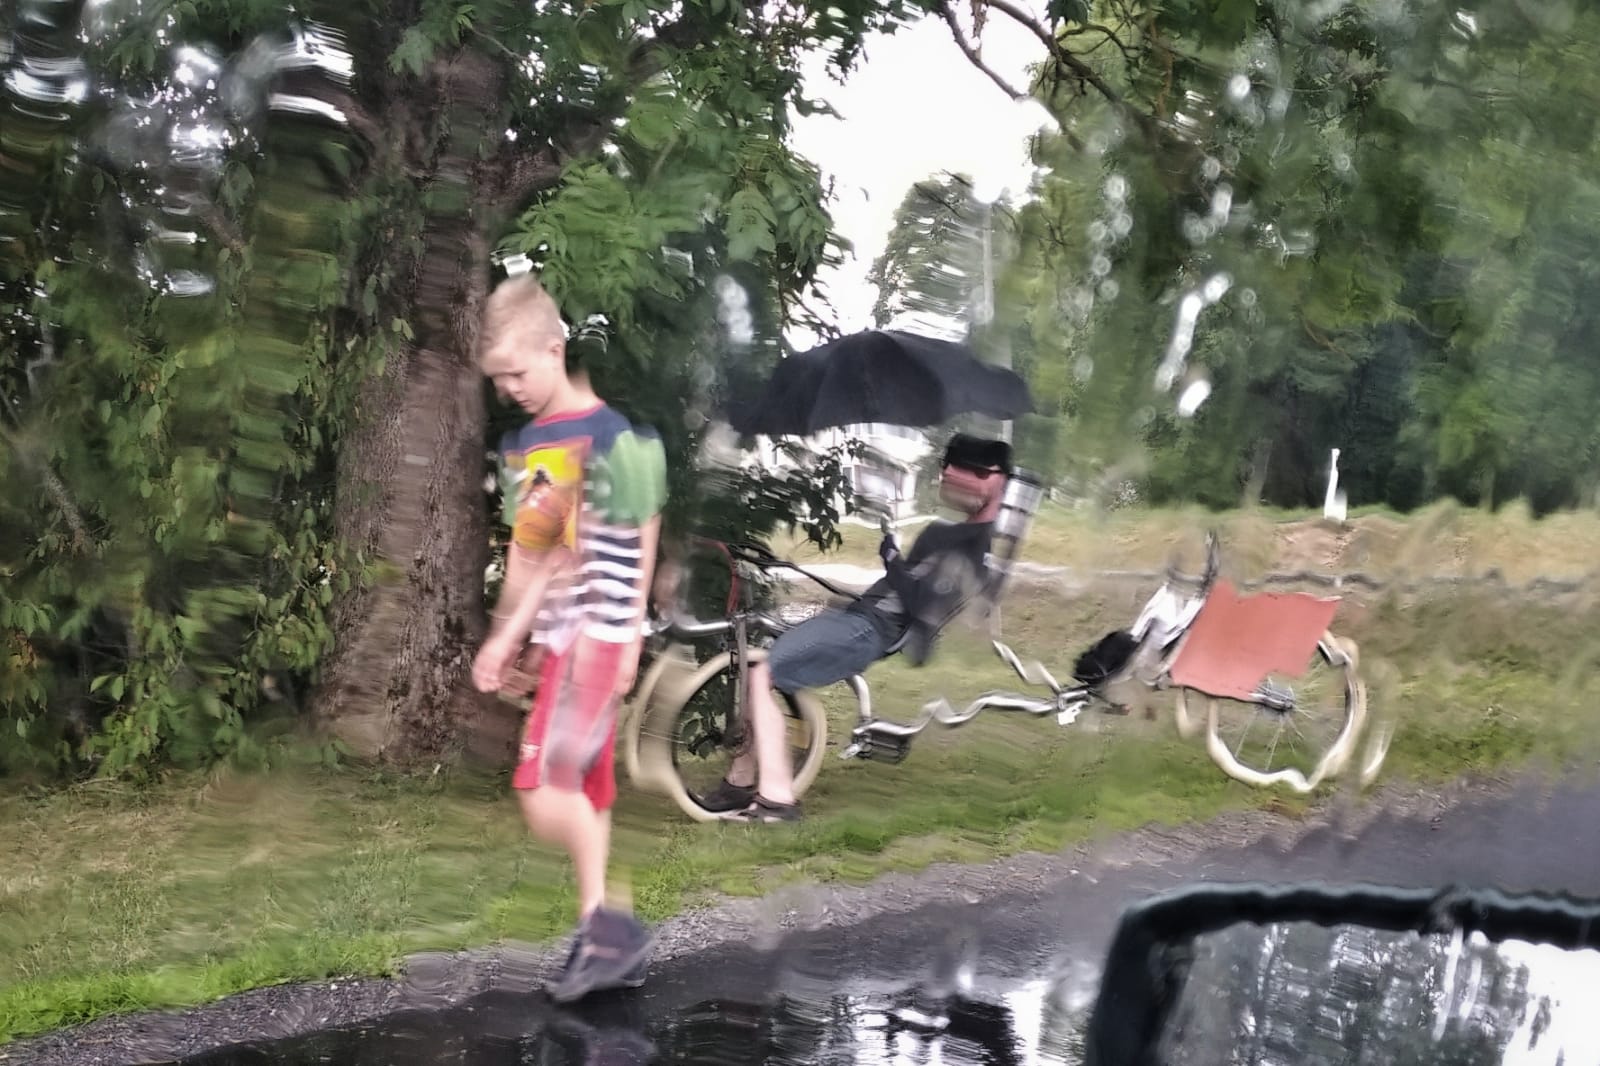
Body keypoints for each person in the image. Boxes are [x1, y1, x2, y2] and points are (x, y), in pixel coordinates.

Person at [470, 274, 668, 1002]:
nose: (509, 389)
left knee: (543, 790)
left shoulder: (615, 438)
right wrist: (521, 639)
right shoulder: (531, 443)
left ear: (554, 349)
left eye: (517, 373)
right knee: (582, 787)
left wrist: (630, 636)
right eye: (498, 379)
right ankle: (602, 934)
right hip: (569, 638)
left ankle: (613, 929)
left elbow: (644, 531)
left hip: (598, 640)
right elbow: (537, 552)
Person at [704, 433, 1014, 823]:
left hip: (869, 631)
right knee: (756, 664)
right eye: (949, 468)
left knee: (761, 674)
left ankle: (778, 800)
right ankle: (740, 781)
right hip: (858, 618)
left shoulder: (977, 548)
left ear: (996, 480)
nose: (950, 476)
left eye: (970, 471)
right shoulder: (949, 533)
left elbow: (923, 606)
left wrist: (892, 558)